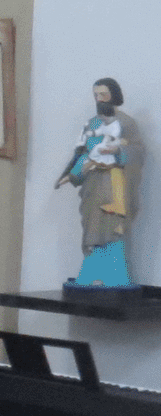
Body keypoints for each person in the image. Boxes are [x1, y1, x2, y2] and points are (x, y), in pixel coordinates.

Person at [55, 77, 139, 288]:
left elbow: (138, 152)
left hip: (113, 182)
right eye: (96, 95)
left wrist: (119, 150)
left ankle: (114, 275)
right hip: (92, 182)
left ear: (114, 95)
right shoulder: (93, 123)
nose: (99, 98)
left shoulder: (126, 122)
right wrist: (72, 175)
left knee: (112, 227)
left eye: (103, 94)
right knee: (91, 224)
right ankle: (92, 272)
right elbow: (84, 153)